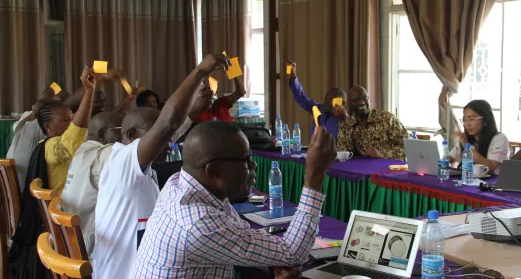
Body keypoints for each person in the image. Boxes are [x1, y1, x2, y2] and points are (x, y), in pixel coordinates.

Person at [133, 122, 336, 278]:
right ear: (213, 170)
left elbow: (238, 233)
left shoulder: (179, 182)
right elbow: (293, 253)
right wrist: (315, 176)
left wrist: (272, 262)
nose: (253, 165)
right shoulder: (198, 223)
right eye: (245, 160)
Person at [93, 54, 230, 279]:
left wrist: (194, 110)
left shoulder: (137, 167)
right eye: (157, 133)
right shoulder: (123, 163)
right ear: (132, 134)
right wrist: (200, 71)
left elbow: (169, 132)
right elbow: (167, 125)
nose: (167, 140)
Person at [8, 67, 98, 279]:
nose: (70, 123)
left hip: (62, 217)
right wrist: (89, 92)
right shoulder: (52, 148)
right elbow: (76, 134)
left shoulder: (51, 146)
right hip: (65, 224)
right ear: (48, 126)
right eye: (65, 121)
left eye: (70, 118)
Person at [60, 111, 124, 259]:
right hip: (88, 254)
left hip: (71, 243)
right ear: (103, 135)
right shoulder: (103, 154)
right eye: (123, 130)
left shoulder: (83, 150)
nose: (128, 136)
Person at [338, 86, 408, 160]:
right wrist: (344, 123)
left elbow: (407, 147)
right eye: (356, 99)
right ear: (349, 103)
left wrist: (382, 154)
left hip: (388, 168)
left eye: (364, 97)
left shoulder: (387, 118)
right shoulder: (348, 124)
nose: (362, 102)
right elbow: (345, 153)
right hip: (362, 168)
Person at [287, 61, 347, 140]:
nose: (326, 102)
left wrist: (343, 121)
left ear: (341, 102)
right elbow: (302, 98)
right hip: (313, 150)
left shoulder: (346, 121)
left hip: (333, 152)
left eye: (330, 100)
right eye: (325, 99)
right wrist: (293, 77)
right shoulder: (319, 109)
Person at [7, 99, 55, 191]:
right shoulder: (44, 126)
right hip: (30, 194)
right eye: (65, 119)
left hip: (13, 190)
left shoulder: (23, 127)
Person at [450, 100, 509, 174]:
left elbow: (489, 167)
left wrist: (467, 146)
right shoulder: (470, 138)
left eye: (471, 119)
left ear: (485, 120)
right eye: (464, 119)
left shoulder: (499, 139)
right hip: (472, 181)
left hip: (493, 184)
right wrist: (444, 159)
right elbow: (451, 157)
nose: (467, 124)